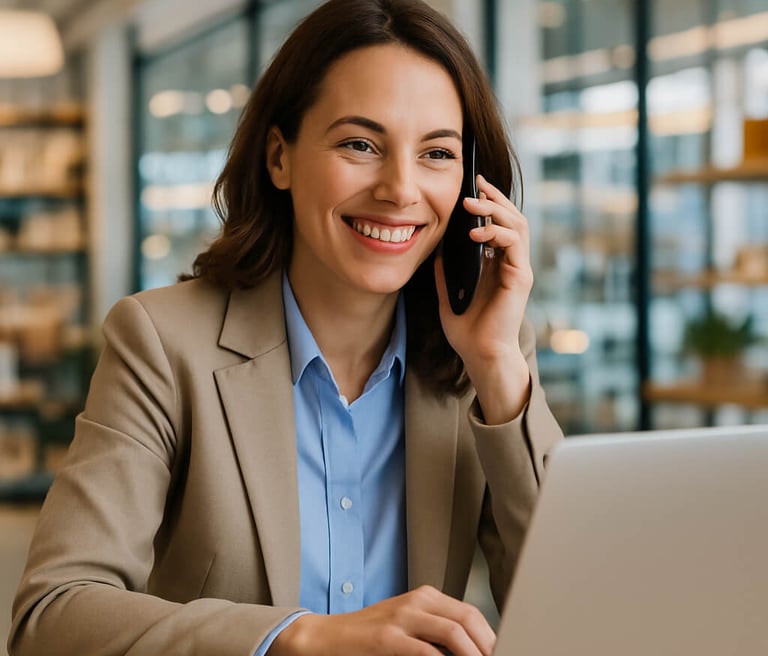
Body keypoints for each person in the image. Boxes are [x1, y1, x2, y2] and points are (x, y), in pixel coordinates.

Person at [8, 1, 564, 655]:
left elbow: (579, 603)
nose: (400, 188)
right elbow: (51, 617)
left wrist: (497, 368)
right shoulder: (161, 342)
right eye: (360, 144)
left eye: (437, 153)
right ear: (280, 158)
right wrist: (298, 638)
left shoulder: (486, 354)